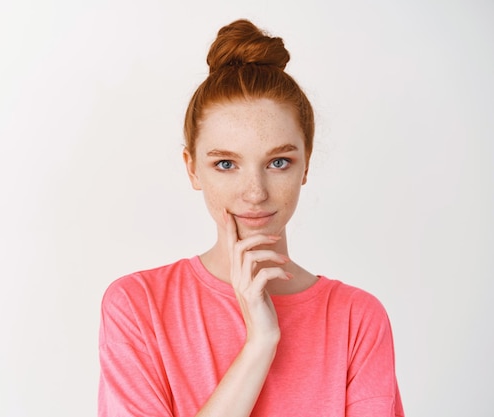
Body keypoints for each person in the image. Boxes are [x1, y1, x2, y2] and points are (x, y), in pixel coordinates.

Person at [98, 18, 404, 417]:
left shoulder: (357, 320)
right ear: (192, 168)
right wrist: (259, 344)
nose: (255, 192)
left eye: (279, 162)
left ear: (305, 165)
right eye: (226, 163)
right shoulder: (138, 307)